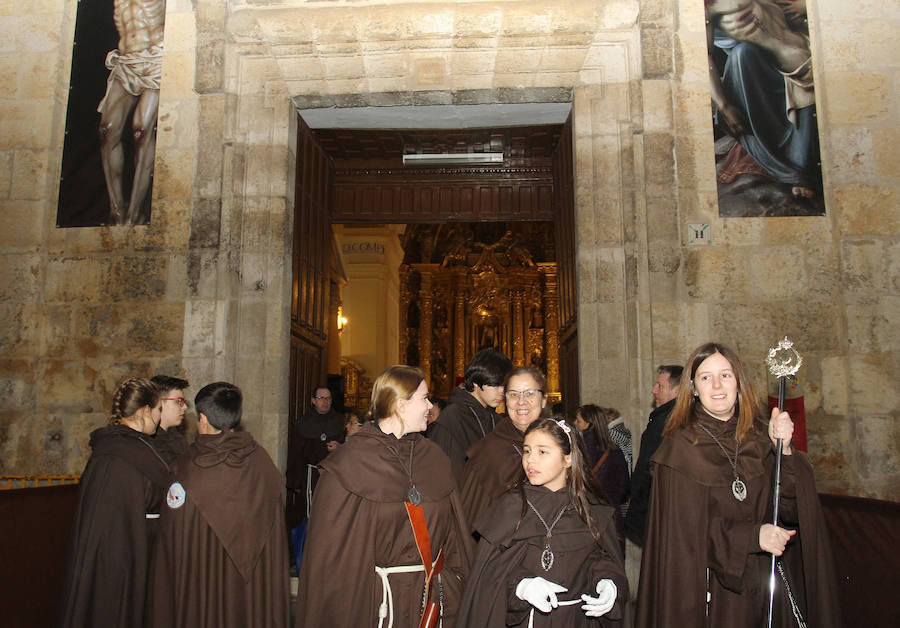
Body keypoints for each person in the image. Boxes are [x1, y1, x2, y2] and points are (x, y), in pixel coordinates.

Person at [635, 343, 840, 627]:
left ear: (739, 383)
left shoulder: (759, 437)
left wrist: (785, 451)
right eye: (706, 377)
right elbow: (682, 537)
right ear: (693, 388)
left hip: (767, 584)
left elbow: (790, 511)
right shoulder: (678, 450)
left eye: (726, 375)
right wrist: (753, 536)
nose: (717, 385)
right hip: (714, 595)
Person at [296, 365, 474, 628]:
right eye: (424, 398)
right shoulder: (350, 463)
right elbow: (331, 559)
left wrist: (455, 586)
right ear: (400, 405)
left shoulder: (434, 457)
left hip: (431, 602)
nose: (430, 406)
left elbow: (455, 538)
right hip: (374, 605)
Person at [458, 418, 628, 627]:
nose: (530, 460)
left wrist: (608, 582)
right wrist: (521, 585)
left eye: (542, 452)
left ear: (568, 459)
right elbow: (489, 576)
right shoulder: (511, 507)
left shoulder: (591, 509)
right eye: (527, 451)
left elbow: (598, 559)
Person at [147, 382, 290, 627]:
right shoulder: (263, 463)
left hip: (202, 586)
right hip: (251, 589)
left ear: (202, 418)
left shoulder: (187, 468)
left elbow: (173, 537)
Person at [58, 377, 170, 628]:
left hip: (117, 551)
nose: (160, 417)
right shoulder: (125, 454)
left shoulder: (116, 448)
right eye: (158, 410)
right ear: (144, 412)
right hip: (123, 556)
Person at [707, 0, 820, 199]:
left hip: (805, 47)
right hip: (774, 66)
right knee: (743, 55)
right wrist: (723, 105)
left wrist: (806, 6)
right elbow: (703, 58)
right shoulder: (709, 7)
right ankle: (799, 172)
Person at [98, 0, 167, 225]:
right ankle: (116, 209)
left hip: (156, 59)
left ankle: (135, 212)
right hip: (127, 61)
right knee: (106, 131)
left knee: (141, 131)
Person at [459, 366, 549, 526]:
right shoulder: (488, 451)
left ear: (543, 400)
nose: (521, 402)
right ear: (505, 401)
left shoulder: (562, 442)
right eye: (514, 395)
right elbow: (469, 517)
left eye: (530, 393)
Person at [429, 348, 513, 484]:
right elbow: (441, 479)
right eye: (496, 385)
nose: (502, 392)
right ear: (475, 382)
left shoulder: (495, 419)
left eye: (504, 386)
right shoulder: (451, 418)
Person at [624, 365, 682, 546]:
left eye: (660, 386)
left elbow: (646, 470)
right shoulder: (667, 418)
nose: (653, 390)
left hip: (659, 512)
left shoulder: (666, 423)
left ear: (677, 390)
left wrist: (636, 499)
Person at [285, 385, 345, 529]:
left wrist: (340, 448)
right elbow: (296, 453)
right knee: (310, 519)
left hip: (334, 478)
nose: (325, 401)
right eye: (321, 398)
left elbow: (352, 449)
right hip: (310, 479)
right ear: (313, 401)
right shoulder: (302, 423)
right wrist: (295, 482)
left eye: (328, 398)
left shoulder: (341, 421)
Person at [574, 405, 630, 551]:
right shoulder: (615, 452)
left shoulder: (577, 452)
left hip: (584, 520)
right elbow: (624, 489)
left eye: (578, 421)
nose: (575, 423)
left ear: (588, 424)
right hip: (611, 521)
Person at [150, 374, 189, 464]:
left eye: (183, 402)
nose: (185, 407)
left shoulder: (177, 437)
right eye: (178, 402)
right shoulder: (150, 443)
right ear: (159, 402)